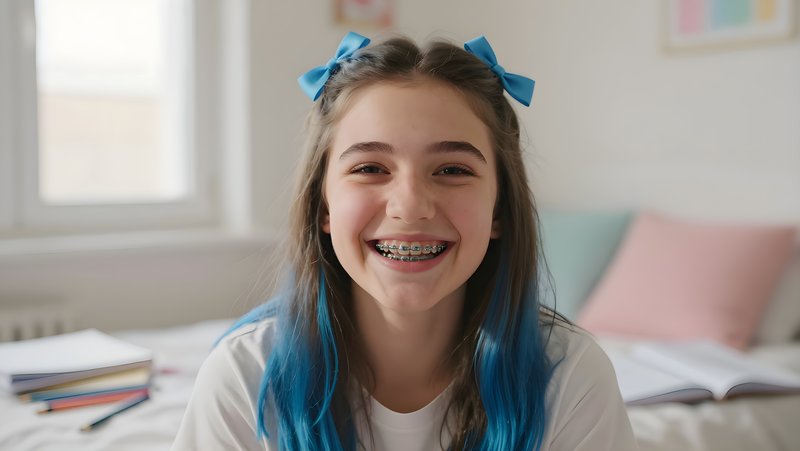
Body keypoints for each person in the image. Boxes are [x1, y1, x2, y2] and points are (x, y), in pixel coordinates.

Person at [172, 32, 638, 451]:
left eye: (453, 170)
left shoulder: (572, 378)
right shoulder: (244, 376)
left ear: (499, 209)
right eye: (370, 168)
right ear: (323, 207)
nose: (410, 206)